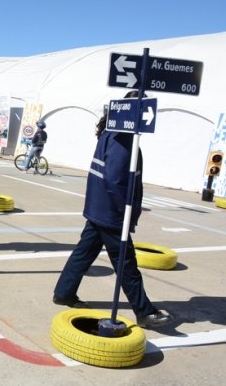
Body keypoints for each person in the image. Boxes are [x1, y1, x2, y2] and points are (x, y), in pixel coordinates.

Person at [52, 93, 174, 329]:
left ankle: (64, 292)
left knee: (84, 252)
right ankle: (144, 311)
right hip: (111, 213)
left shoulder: (112, 132)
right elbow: (116, 179)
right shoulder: (123, 138)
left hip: (99, 208)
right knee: (126, 263)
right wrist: (125, 214)